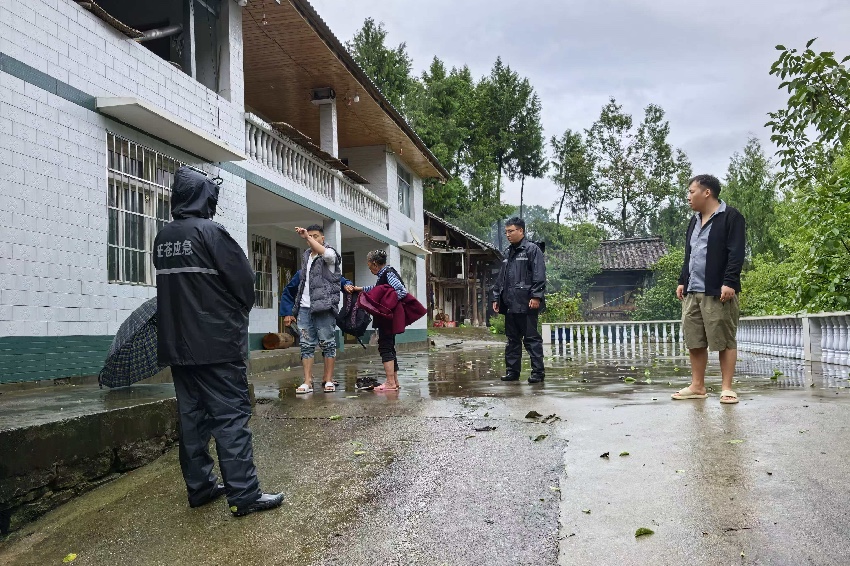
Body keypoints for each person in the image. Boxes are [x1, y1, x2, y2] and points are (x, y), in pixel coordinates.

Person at [154, 166, 282, 517]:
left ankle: (201, 487)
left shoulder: (163, 237)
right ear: (204, 196)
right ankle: (244, 494)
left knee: (192, 419)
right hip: (217, 346)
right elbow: (244, 286)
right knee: (229, 417)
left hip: (178, 346)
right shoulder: (212, 233)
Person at [673, 174, 746, 404]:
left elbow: (736, 253)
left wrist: (730, 281)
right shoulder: (694, 220)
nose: (688, 197)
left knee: (724, 339)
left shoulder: (731, 217)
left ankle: (727, 388)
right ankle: (697, 386)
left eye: (691, 192)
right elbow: (690, 254)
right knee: (694, 339)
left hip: (718, 289)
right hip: (693, 290)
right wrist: (682, 280)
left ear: (707, 192)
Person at [491, 217, 546, 383]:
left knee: (531, 339)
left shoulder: (532, 249)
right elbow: (502, 279)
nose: (507, 234)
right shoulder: (508, 253)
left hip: (527, 303)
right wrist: (496, 297)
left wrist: (536, 296)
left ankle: (537, 373)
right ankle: (512, 372)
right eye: (506, 231)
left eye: (511, 231)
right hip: (509, 304)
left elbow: (539, 274)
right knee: (512, 340)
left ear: (521, 231)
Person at [346, 250, 408, 392]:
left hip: (387, 317)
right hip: (388, 317)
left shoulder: (388, 273)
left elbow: (401, 291)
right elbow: (377, 289)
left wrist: (386, 304)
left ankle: (390, 382)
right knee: (389, 346)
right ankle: (394, 381)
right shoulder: (384, 274)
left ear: (374, 264)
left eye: (369, 267)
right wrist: (359, 289)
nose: (370, 269)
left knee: (385, 346)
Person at [292, 224, 342, 394]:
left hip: (324, 307)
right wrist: (296, 306)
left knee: (328, 343)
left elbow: (326, 254)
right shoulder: (306, 255)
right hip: (305, 307)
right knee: (306, 345)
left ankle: (328, 380)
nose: (311, 238)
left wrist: (306, 237)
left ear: (322, 238)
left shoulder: (330, 254)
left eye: (315, 236)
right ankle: (307, 381)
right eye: (309, 236)